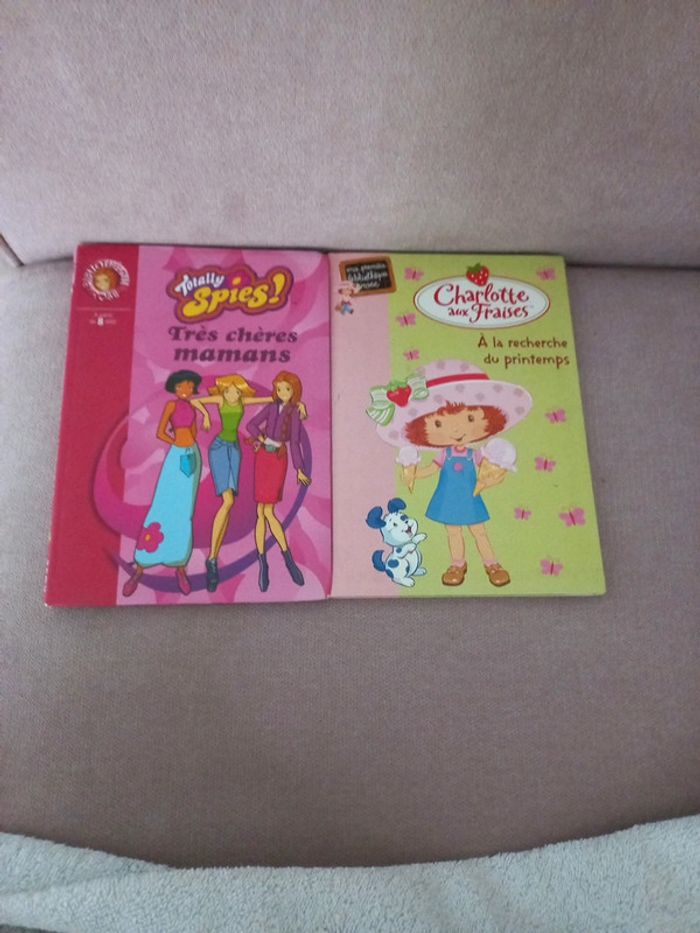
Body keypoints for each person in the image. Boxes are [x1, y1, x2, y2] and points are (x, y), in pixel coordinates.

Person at [190, 375, 306, 593]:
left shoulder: (260, 404)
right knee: (234, 504)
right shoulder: (221, 400)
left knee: (257, 510)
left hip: (243, 451)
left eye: (237, 391)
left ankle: (278, 561)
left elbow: (289, 433)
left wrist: (297, 404)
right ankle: (218, 560)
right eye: (228, 391)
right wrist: (205, 414)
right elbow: (198, 402)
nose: (233, 395)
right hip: (224, 449)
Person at [122, 370, 203, 597]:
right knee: (163, 503)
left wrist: (190, 447)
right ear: (175, 388)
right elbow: (160, 432)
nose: (186, 390)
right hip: (177, 455)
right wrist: (176, 443)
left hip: (192, 455)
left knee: (185, 509)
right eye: (181, 386)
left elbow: (194, 432)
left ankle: (180, 565)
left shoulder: (192, 408)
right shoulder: (171, 405)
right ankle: (140, 567)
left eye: (189, 386)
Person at [246, 371, 311, 592]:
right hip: (263, 457)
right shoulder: (271, 407)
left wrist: (299, 469)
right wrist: (262, 438)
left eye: (287, 389)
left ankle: (287, 559)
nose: (282, 392)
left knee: (267, 511)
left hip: (277, 460)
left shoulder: (294, 413)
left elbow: (295, 441)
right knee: (261, 512)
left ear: (294, 392)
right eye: (279, 388)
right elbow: (251, 425)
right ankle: (263, 563)